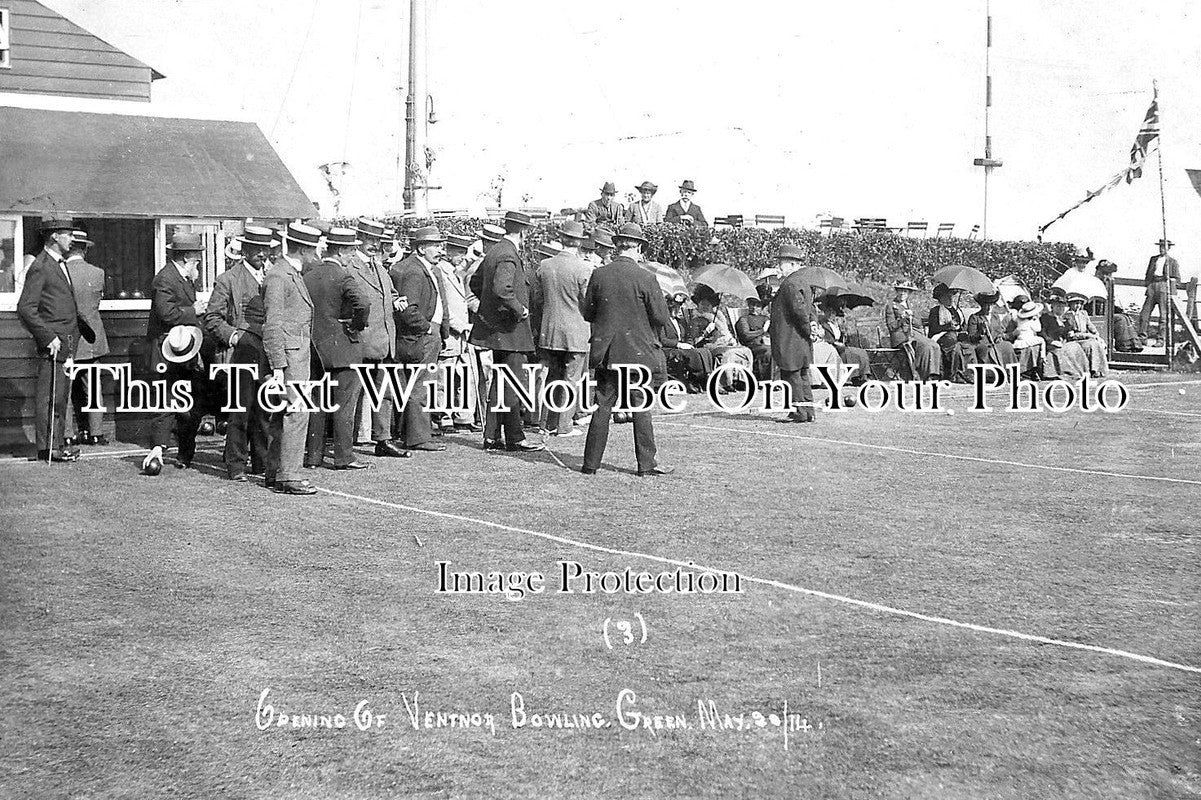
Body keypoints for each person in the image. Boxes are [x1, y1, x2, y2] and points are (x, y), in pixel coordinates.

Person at [581, 223, 672, 476]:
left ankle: (590, 464)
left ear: (616, 246)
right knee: (641, 408)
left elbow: (588, 312)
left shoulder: (599, 274)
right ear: (638, 247)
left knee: (602, 407)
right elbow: (661, 317)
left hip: (607, 351)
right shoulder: (646, 277)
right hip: (638, 352)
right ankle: (646, 464)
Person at [17, 218, 95, 462]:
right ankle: (49, 448)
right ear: (54, 237)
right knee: (50, 397)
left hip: (67, 342)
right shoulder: (41, 266)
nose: (72, 239)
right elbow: (26, 308)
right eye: (68, 235)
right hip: (54, 343)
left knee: (60, 396)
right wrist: (47, 336)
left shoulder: (58, 263)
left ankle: (58, 444)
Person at [469, 211, 545, 451]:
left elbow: (476, 283)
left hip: (499, 330)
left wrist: (492, 310)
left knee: (500, 382)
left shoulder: (495, 251)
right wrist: (519, 310)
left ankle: (492, 436)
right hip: (511, 331)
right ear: (523, 232)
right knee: (512, 383)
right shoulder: (508, 254)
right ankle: (514, 438)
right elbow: (502, 289)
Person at [203, 225, 272, 479]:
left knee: (264, 410)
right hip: (238, 357)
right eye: (256, 249)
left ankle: (262, 463)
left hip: (267, 354)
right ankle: (236, 465)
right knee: (240, 412)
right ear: (245, 250)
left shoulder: (272, 277)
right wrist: (235, 337)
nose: (262, 254)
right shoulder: (228, 279)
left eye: (265, 249)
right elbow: (212, 318)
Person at [303, 227, 370, 470]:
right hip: (344, 348)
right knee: (344, 406)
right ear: (341, 251)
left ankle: (313, 457)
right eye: (351, 251)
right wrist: (355, 325)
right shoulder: (343, 277)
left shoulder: (308, 275)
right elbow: (363, 303)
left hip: (315, 348)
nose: (353, 256)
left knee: (317, 405)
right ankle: (344, 456)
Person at [262, 222, 321, 495]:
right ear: (303, 250)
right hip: (289, 359)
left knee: (284, 415)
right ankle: (289, 477)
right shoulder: (279, 276)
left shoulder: (289, 273)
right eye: (313, 250)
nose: (316, 255)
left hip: (294, 356)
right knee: (297, 414)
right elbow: (272, 325)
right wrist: (278, 366)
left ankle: (276, 473)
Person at [142, 232, 207, 473]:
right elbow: (166, 314)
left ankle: (184, 454)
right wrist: (194, 310)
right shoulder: (165, 279)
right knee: (167, 400)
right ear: (186, 257)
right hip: (166, 351)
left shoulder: (184, 278)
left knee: (188, 400)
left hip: (185, 349)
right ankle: (159, 448)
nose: (198, 263)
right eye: (196, 258)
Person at [345, 217, 409, 458]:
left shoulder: (380, 268)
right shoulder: (349, 267)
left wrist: (397, 300)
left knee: (384, 393)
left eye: (377, 240)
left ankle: (383, 440)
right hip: (360, 341)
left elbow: (390, 293)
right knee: (352, 395)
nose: (374, 244)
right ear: (359, 239)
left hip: (383, 341)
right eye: (369, 239)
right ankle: (345, 445)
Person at [390, 226, 451, 453]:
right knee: (421, 386)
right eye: (435, 245)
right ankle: (418, 437)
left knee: (414, 385)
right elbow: (408, 309)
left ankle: (411, 434)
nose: (440, 250)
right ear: (422, 248)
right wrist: (427, 328)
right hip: (421, 336)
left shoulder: (418, 268)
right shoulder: (415, 271)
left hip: (419, 336)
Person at [534, 221, 593, 437]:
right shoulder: (584, 268)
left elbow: (538, 299)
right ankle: (564, 425)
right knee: (571, 379)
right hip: (576, 332)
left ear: (561, 239)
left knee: (552, 377)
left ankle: (546, 424)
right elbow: (588, 303)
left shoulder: (545, 266)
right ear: (579, 242)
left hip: (550, 330)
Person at [65, 229, 110, 446]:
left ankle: (66, 435)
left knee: (65, 389)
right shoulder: (98, 273)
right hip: (92, 338)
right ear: (84, 250)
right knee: (93, 386)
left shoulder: (61, 272)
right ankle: (96, 433)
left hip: (68, 336)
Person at [434, 234, 483, 432]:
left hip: (464, 335)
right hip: (451, 332)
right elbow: (443, 306)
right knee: (444, 377)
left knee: (466, 375)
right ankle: (443, 417)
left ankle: (464, 416)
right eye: (458, 252)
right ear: (449, 251)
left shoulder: (458, 272)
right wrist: (459, 326)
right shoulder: (440, 271)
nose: (462, 256)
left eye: (464, 252)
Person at [770, 244, 817, 422]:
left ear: (792, 264)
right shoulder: (803, 282)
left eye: (781, 263)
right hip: (801, 340)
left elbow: (799, 311)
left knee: (791, 376)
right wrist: (811, 328)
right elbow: (809, 309)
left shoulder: (790, 284)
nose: (778, 267)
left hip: (790, 339)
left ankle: (799, 412)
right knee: (803, 376)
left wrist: (808, 329)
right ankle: (809, 412)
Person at [883, 281, 940, 381]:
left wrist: (911, 316)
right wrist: (902, 319)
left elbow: (918, 324)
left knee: (934, 345)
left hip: (914, 333)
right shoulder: (891, 306)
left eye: (905, 291)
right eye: (900, 291)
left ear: (909, 293)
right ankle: (924, 375)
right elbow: (891, 326)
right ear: (896, 291)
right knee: (925, 346)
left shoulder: (912, 305)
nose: (902, 293)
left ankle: (934, 373)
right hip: (901, 335)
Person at [927, 283, 977, 383]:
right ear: (940, 298)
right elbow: (933, 329)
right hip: (941, 337)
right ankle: (954, 375)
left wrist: (962, 330)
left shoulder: (956, 310)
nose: (950, 298)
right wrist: (948, 326)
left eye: (951, 296)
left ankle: (968, 373)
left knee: (968, 346)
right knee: (955, 345)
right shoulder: (936, 311)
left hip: (955, 336)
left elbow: (962, 324)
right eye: (947, 296)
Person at [818, 295, 871, 385]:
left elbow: (843, 337)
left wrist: (842, 330)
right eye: (829, 312)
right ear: (825, 312)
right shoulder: (823, 324)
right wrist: (836, 343)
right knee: (850, 353)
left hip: (841, 346)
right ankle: (855, 376)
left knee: (861, 352)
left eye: (833, 313)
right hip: (832, 348)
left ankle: (863, 376)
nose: (831, 315)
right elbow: (826, 339)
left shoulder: (836, 324)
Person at [1038, 288, 1090, 380]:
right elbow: (1042, 332)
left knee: (1075, 347)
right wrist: (1051, 341)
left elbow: (1067, 331)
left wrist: (1069, 332)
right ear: (1052, 306)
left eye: (1062, 307)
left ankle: (1082, 372)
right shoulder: (1046, 317)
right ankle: (1067, 373)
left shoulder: (1064, 319)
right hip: (1051, 343)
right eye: (1058, 306)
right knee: (1064, 350)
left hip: (1063, 342)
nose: (1061, 309)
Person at [1139, 238, 1180, 339]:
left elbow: (1177, 279)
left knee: (1163, 315)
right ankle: (1142, 337)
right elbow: (1148, 273)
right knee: (1144, 314)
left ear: (1168, 248)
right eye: (1160, 247)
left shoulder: (1172, 262)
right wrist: (1148, 285)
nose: (1161, 249)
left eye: (1164, 247)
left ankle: (1161, 339)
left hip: (1163, 286)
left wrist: (1170, 284)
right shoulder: (1153, 259)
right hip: (1152, 285)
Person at [965, 291, 1018, 369]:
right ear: (982, 305)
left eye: (991, 304)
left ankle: (1011, 371)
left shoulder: (995, 317)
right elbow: (971, 337)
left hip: (995, 343)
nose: (989, 308)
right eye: (986, 304)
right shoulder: (975, 317)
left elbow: (999, 332)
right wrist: (980, 333)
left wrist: (999, 337)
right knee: (987, 350)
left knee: (1007, 345)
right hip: (982, 344)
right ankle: (991, 372)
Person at [1064, 291, 1108, 377]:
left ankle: (1098, 369)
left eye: (1080, 303)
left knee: (1096, 343)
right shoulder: (1067, 316)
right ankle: (1092, 369)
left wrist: (1096, 333)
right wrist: (1089, 336)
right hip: (1076, 340)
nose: (1078, 306)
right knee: (1091, 344)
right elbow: (1070, 334)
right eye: (1076, 303)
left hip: (1085, 338)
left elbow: (1089, 325)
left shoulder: (1083, 313)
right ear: (1070, 304)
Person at [735, 295, 772, 380]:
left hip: (766, 343)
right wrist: (763, 330)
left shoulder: (766, 319)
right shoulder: (744, 319)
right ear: (749, 305)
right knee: (768, 351)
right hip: (752, 345)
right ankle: (765, 379)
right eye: (752, 305)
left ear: (762, 308)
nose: (754, 308)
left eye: (758, 306)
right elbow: (746, 335)